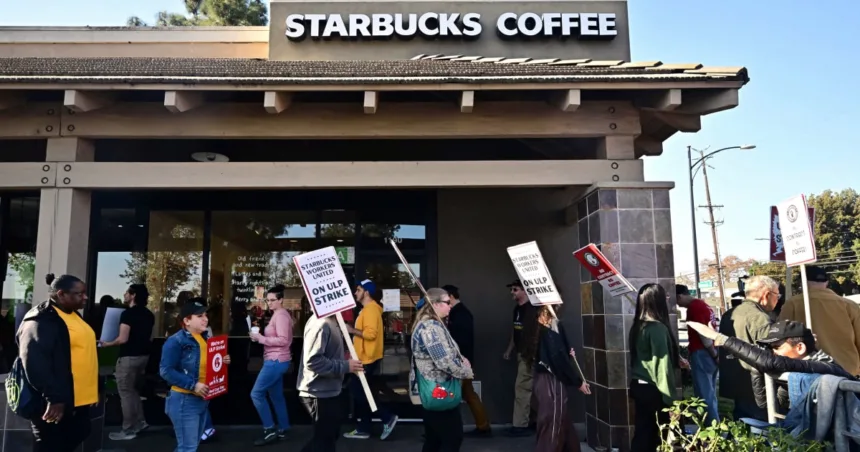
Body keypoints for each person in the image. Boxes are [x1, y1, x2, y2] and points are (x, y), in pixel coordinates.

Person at [688, 319, 853, 411]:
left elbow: (770, 362)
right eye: (770, 348)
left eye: (777, 347)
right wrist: (756, 368)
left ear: (800, 347)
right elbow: (768, 404)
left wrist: (721, 338)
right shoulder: (794, 373)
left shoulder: (822, 364)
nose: (773, 353)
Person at [18, 274, 98, 452]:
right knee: (50, 445)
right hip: (54, 402)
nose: (85, 297)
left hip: (77, 400)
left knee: (76, 435)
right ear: (61, 294)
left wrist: (94, 388)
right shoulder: (40, 320)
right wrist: (54, 398)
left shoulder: (72, 315)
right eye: (80, 293)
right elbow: (34, 362)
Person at [159, 298, 231, 452]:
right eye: (199, 316)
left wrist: (221, 360)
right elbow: (166, 371)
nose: (205, 319)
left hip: (202, 399)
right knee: (188, 448)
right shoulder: (175, 341)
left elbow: (205, 365)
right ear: (187, 321)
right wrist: (193, 385)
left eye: (205, 315)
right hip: (184, 400)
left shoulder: (204, 338)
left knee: (188, 447)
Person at [411, 287, 474, 452]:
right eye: (447, 302)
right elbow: (443, 361)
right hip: (439, 389)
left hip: (434, 389)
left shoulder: (429, 324)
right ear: (435, 304)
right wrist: (466, 371)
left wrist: (460, 358)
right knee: (452, 438)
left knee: (434, 440)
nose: (450, 305)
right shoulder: (431, 328)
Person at [296, 312, 363, 452]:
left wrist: (347, 363)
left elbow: (328, 354)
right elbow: (313, 362)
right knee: (324, 442)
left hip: (327, 390)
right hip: (317, 392)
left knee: (327, 438)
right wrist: (345, 366)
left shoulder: (331, 321)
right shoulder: (321, 323)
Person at [628, 283, 682, 452]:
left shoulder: (638, 326)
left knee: (643, 433)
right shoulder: (658, 328)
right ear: (657, 301)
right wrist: (671, 402)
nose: (667, 298)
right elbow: (662, 368)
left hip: (640, 386)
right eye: (664, 296)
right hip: (655, 389)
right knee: (656, 437)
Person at [779, 266, 860, 376]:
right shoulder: (850, 305)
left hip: (808, 370)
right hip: (847, 370)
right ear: (826, 282)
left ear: (802, 282)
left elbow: (781, 338)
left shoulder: (792, 304)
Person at [99, 284, 155, 441]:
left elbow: (123, 339)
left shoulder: (128, 314)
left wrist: (106, 344)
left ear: (133, 295)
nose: (124, 294)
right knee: (133, 391)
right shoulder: (149, 314)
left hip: (128, 357)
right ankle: (140, 422)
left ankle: (128, 429)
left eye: (127, 292)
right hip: (144, 358)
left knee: (125, 393)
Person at [344, 279, 398, 440]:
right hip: (364, 357)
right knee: (361, 393)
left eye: (358, 290)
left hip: (366, 359)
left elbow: (371, 334)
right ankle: (364, 428)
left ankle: (387, 418)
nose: (355, 293)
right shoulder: (368, 310)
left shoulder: (371, 310)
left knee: (360, 393)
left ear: (366, 292)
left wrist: (352, 330)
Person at [534, 306, 590, 452]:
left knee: (559, 421)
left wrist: (566, 351)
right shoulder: (549, 327)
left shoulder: (538, 325)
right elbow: (557, 357)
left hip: (544, 378)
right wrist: (577, 381)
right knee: (553, 425)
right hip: (552, 380)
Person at [442, 284, 491, 437]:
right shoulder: (460, 313)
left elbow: (460, 340)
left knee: (454, 395)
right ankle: (483, 426)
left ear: (450, 296)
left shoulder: (460, 314)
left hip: (460, 362)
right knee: (468, 394)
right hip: (463, 361)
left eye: (443, 298)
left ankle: (448, 429)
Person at [248, 284, 294, 446]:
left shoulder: (281, 315)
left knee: (256, 394)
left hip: (275, 361)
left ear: (281, 300)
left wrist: (260, 338)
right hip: (277, 360)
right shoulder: (279, 314)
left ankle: (269, 429)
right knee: (276, 396)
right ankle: (283, 428)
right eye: (268, 300)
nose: (270, 303)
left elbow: (283, 340)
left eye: (273, 300)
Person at [730, 275, 780, 416]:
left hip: (736, 377)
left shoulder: (731, 313)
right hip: (756, 382)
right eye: (777, 295)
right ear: (767, 295)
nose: (778, 299)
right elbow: (771, 351)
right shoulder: (759, 317)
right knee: (761, 425)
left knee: (742, 423)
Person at [676, 284, 720, 424]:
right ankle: (714, 424)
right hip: (708, 351)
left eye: (677, 300)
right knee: (710, 393)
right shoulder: (703, 305)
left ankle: (712, 428)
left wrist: (714, 354)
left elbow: (703, 333)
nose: (677, 304)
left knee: (703, 394)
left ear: (680, 296)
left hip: (702, 352)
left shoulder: (694, 307)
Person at [502, 279, 538, 437]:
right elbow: (515, 330)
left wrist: (531, 354)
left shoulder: (533, 310)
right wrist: (510, 349)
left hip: (529, 355)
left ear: (525, 290)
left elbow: (537, 334)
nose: (512, 292)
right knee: (529, 389)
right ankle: (532, 421)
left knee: (522, 388)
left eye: (515, 289)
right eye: (512, 289)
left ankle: (520, 425)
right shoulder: (517, 309)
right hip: (520, 353)